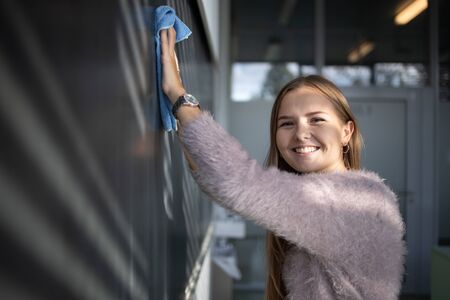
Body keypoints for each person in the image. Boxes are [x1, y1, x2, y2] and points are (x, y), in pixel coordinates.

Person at [160, 28, 406, 300]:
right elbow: (213, 175)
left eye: (317, 120)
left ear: (347, 132)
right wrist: (182, 118)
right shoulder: (321, 200)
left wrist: (178, 95)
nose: (301, 134)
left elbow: (235, 180)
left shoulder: (362, 202)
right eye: (287, 123)